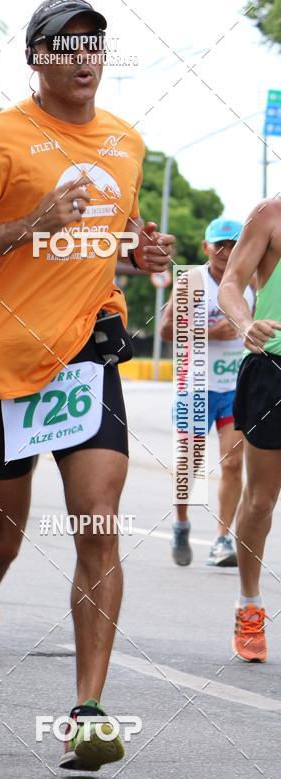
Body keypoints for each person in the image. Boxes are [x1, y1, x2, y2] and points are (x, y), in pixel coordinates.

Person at [0, 0, 174, 771]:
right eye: (65, 45)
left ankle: (87, 713)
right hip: (7, 359)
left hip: (89, 352)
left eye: (93, 44)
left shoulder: (126, 142)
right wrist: (32, 223)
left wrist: (139, 255)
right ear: (36, 59)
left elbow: (109, 237)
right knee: (3, 539)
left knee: (98, 521)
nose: (83, 57)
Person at [160, 218, 254, 567]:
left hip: (233, 386)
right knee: (191, 465)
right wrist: (210, 333)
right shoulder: (192, 281)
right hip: (195, 386)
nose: (226, 252)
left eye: (233, 244)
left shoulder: (250, 281)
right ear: (206, 247)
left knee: (233, 463)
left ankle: (222, 539)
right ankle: (181, 523)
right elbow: (166, 330)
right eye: (219, 245)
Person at [218, 199, 281, 663]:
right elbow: (231, 283)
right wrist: (245, 323)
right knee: (260, 500)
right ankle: (250, 603)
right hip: (272, 365)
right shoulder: (269, 216)